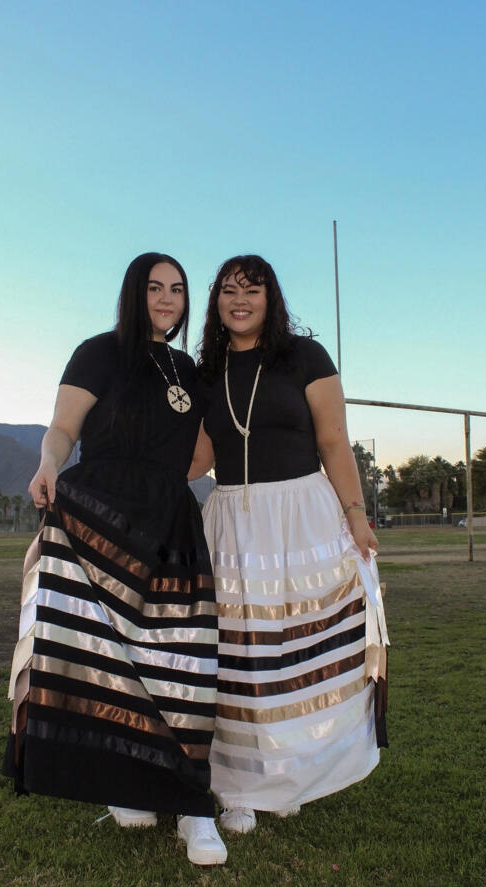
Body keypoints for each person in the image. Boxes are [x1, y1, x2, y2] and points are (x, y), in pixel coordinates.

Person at [3, 252, 227, 866]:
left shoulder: (188, 370)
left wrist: (163, 479)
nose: (166, 299)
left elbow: (203, 456)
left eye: (177, 290)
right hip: (99, 517)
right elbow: (61, 429)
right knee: (107, 655)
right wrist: (48, 464)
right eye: (155, 287)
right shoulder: (97, 351)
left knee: (183, 656)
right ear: (134, 293)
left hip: (169, 519)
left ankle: (192, 809)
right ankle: (128, 783)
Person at [189, 254, 389, 834]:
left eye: (252, 289)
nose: (240, 299)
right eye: (229, 290)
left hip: (302, 514)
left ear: (271, 298)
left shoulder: (306, 357)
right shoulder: (208, 370)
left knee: (298, 648)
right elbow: (201, 458)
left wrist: (356, 516)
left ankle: (294, 772)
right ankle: (239, 789)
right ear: (216, 303)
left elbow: (334, 441)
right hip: (231, 518)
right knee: (240, 656)